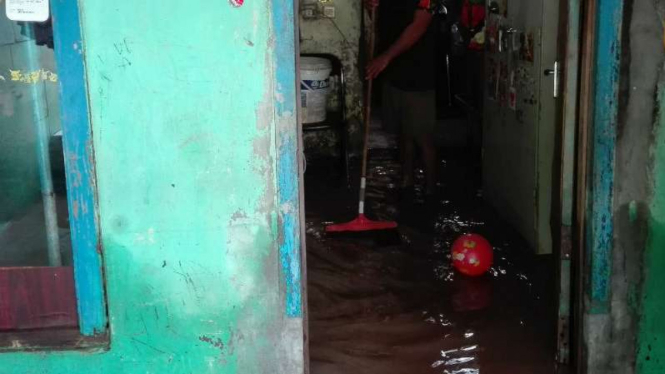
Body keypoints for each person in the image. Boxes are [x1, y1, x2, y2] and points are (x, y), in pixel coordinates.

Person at [365, 0, 445, 198]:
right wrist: (370, 6)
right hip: (393, 72)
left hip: (418, 74)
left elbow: (419, 25)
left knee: (422, 135)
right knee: (403, 131)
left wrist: (386, 57)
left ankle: (430, 189)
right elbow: (382, 18)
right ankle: (406, 180)